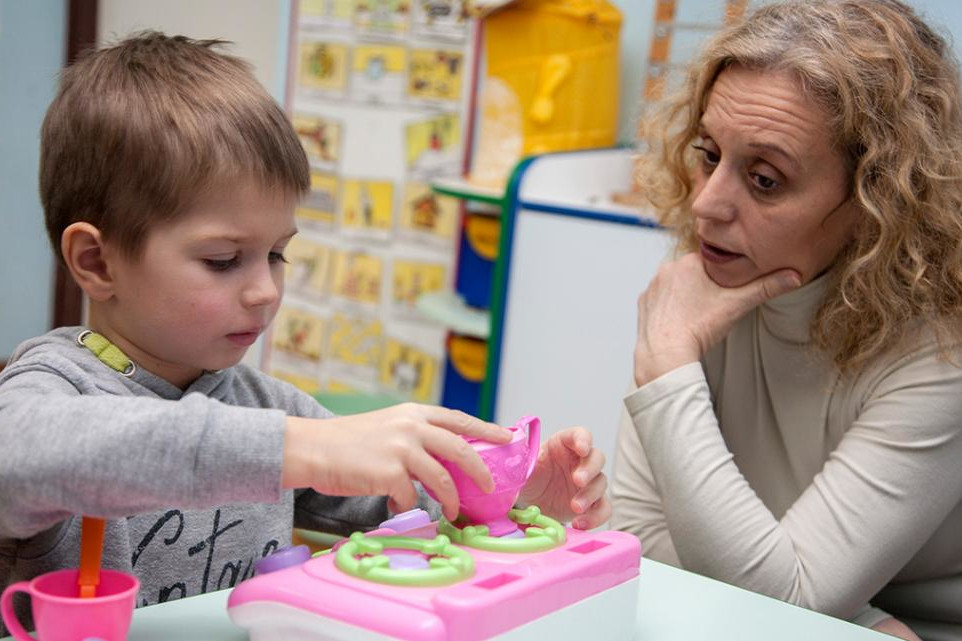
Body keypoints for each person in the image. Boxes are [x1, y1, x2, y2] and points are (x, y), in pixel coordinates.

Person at [0, 32, 610, 632]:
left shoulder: (265, 406)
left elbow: (424, 510)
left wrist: (513, 498)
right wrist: (301, 448)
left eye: (276, 254)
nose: (266, 291)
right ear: (97, 263)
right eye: (222, 260)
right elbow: (24, 454)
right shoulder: (53, 387)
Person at [610, 1, 962, 640]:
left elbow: (786, 606)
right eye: (709, 154)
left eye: (765, 180)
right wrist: (856, 614)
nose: (708, 204)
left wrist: (667, 371)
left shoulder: (943, 353)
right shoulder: (709, 284)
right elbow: (635, 542)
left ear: (877, 200)